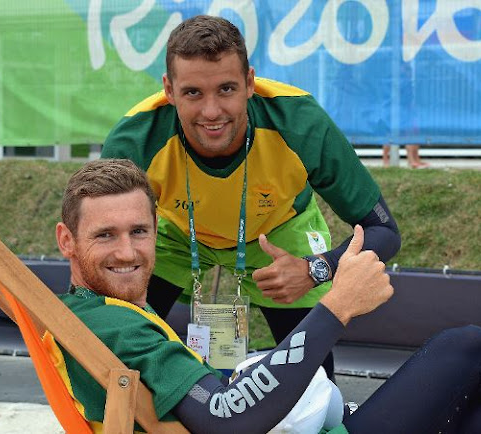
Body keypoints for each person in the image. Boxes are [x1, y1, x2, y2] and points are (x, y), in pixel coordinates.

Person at [22, 158, 481, 433]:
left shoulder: (103, 316)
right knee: (467, 346)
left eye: (138, 231)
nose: (129, 251)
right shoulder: (114, 326)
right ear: (66, 241)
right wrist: (336, 304)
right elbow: (223, 419)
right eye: (105, 235)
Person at [100, 15, 401, 379]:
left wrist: (315, 268)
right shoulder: (135, 140)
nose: (212, 112)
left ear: (250, 83)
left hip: (276, 232)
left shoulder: (299, 122)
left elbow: (384, 231)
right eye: (193, 93)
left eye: (226, 89)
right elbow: (95, 242)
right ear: (168, 90)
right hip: (181, 235)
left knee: (313, 377)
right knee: (114, 338)